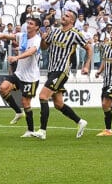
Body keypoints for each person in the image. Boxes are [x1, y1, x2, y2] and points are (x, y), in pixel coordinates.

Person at [37, 10, 93, 140]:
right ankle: (80, 121)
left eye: (67, 16)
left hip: (62, 71)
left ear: (72, 21)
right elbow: (45, 47)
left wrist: (86, 66)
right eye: (63, 15)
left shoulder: (75, 34)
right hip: (52, 70)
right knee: (58, 103)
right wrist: (43, 39)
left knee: (43, 96)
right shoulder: (55, 31)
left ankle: (42, 131)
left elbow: (89, 48)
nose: (63, 17)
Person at [0, 17, 43, 136]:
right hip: (19, 74)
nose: (28, 25)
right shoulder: (23, 35)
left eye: (31, 23)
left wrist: (16, 57)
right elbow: (7, 36)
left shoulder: (37, 40)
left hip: (31, 77)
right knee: (3, 88)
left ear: (36, 27)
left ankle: (30, 130)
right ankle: (18, 112)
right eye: (28, 22)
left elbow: (31, 51)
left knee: (25, 102)